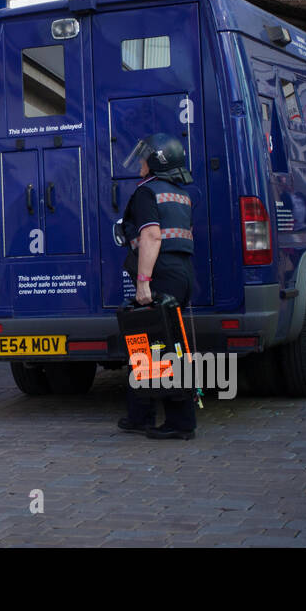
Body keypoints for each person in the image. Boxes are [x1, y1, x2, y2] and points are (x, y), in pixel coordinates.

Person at [115, 132, 199, 440]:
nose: (140, 161)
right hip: (182, 274)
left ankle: (180, 423)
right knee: (148, 346)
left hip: (160, 274)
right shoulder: (180, 194)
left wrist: (143, 282)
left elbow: (151, 236)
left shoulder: (146, 192)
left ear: (156, 161)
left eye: (145, 157)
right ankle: (140, 415)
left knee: (160, 350)